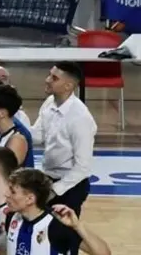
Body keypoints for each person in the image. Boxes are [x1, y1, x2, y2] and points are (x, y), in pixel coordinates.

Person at [28, 62, 95, 214]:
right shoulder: (49, 103)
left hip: (70, 185)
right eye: (49, 75)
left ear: (68, 86)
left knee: (65, 234)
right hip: (48, 178)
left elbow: (83, 167)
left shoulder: (80, 118)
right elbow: (38, 136)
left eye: (54, 78)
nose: (47, 80)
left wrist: (56, 190)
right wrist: (15, 124)